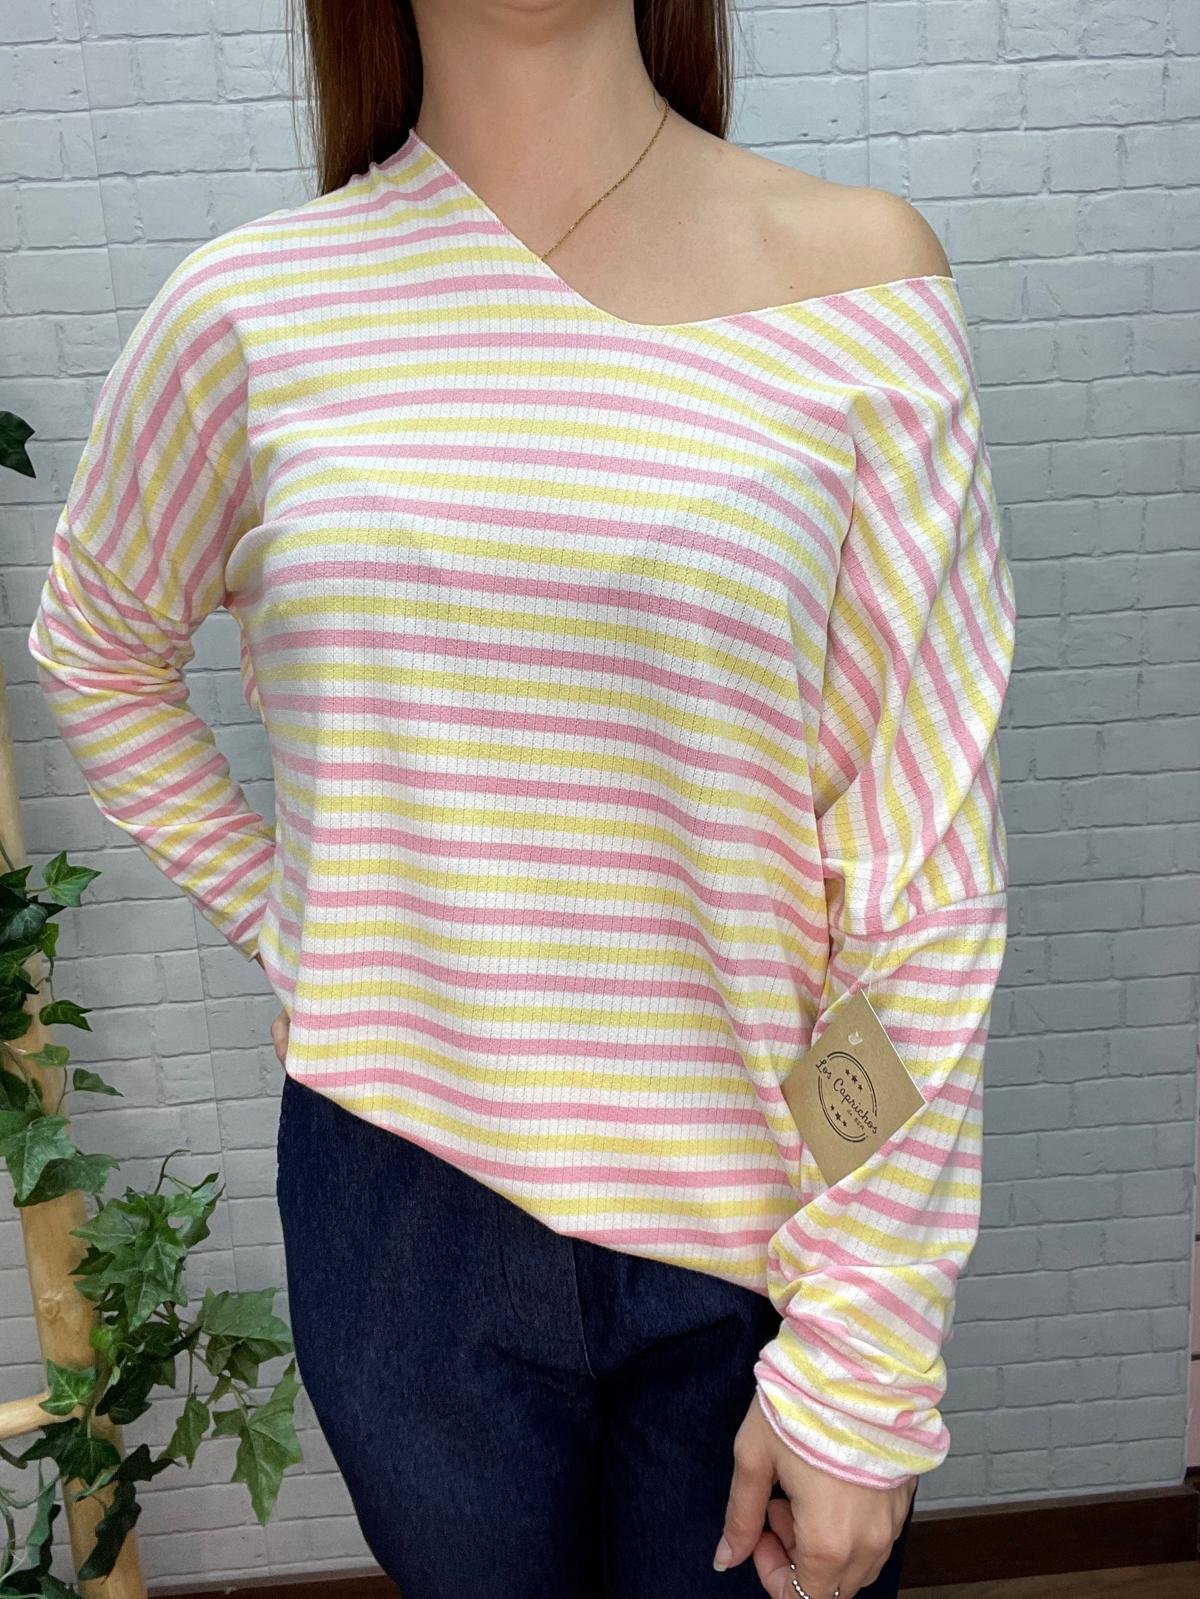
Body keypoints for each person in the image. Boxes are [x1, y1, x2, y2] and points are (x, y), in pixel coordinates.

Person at [27, 2, 1016, 1596]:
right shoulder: (252, 313)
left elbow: (920, 889)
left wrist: (864, 1340)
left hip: (763, 1206)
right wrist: (305, 930)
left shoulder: (861, 288)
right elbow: (98, 646)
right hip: (401, 1208)